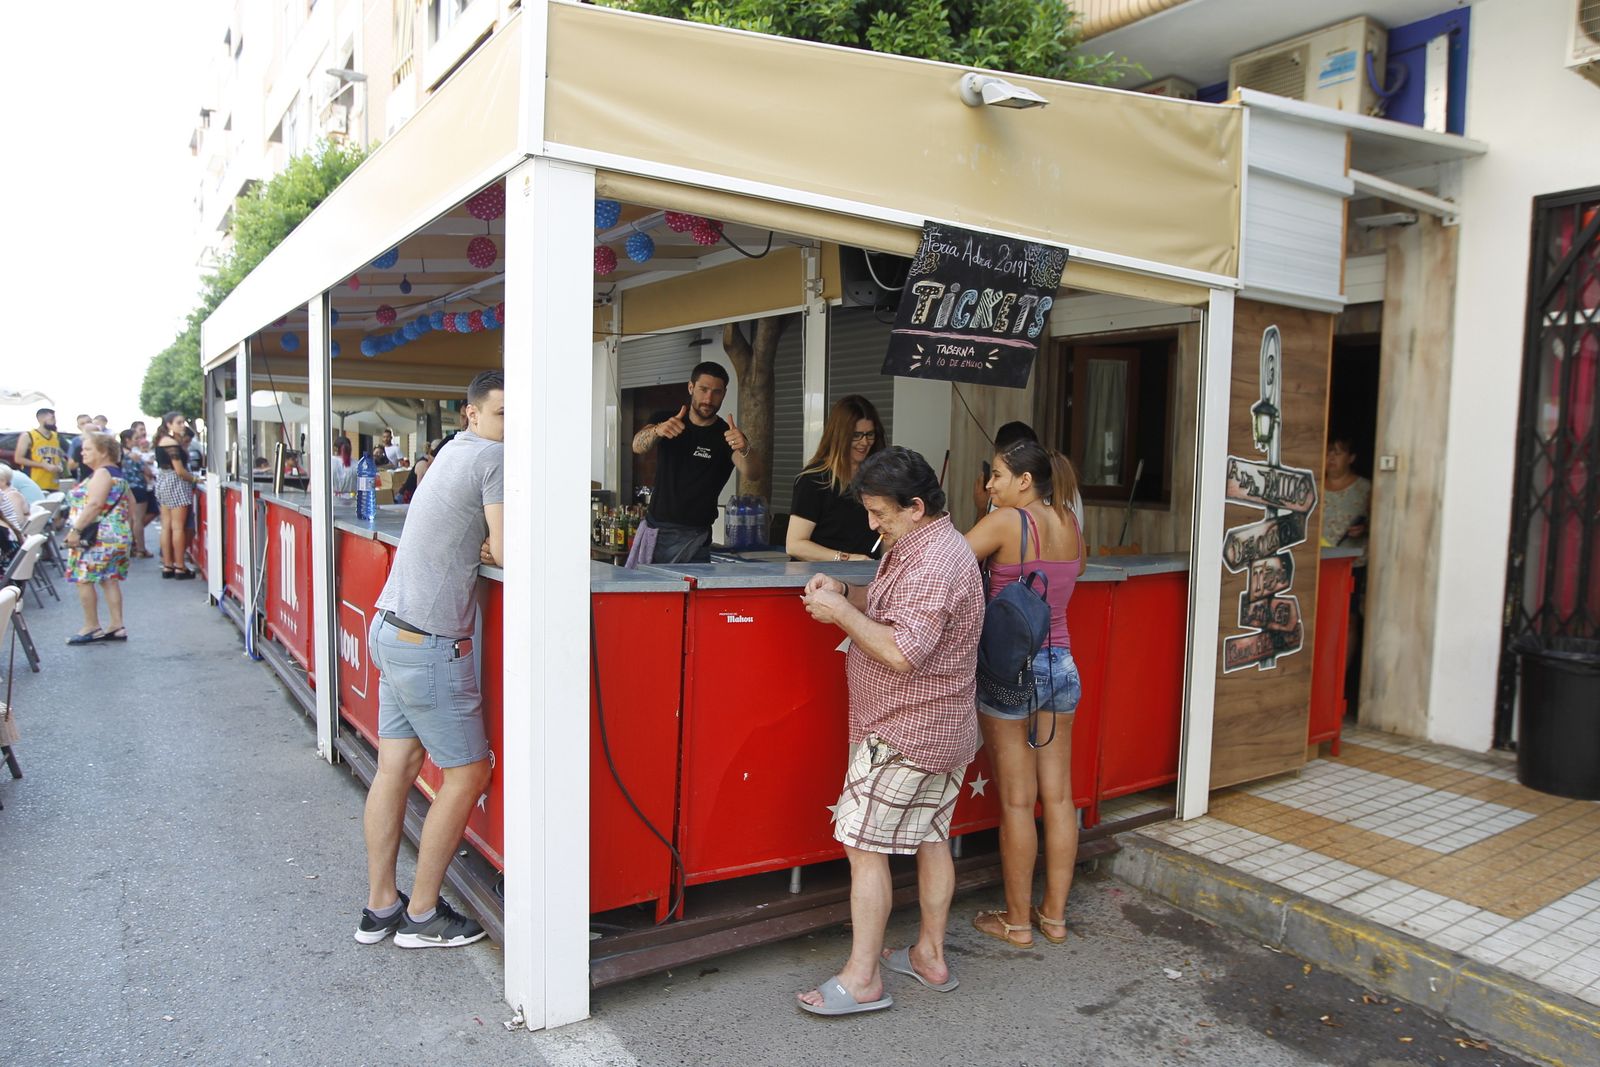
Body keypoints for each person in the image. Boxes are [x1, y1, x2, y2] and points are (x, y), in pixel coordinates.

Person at [797, 447, 984, 1015]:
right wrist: (846, 593)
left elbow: (904, 651)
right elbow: (895, 612)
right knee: (930, 837)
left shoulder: (935, 561)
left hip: (907, 731)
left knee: (859, 843)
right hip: (939, 726)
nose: (872, 524)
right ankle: (929, 955)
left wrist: (839, 615)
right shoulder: (921, 544)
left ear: (916, 506)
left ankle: (863, 980)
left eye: (881, 513)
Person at [359, 369, 504, 949]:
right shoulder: (494, 458)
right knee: (469, 772)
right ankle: (422, 916)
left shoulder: (452, 450)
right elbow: (511, 550)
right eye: (500, 414)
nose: (510, 426)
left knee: (396, 767)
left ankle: (380, 908)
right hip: (427, 641)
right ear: (473, 413)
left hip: (390, 626)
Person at [964, 439, 1085, 948]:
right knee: (1058, 797)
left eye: (996, 476)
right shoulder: (1070, 523)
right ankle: (1053, 918)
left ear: (1024, 480)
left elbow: (944, 564)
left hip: (1012, 671)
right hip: (1061, 665)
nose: (991, 486)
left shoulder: (1008, 522)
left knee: (1018, 802)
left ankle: (1016, 924)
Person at [628, 361, 759, 564]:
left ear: (724, 393)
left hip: (696, 539)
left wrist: (745, 448)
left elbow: (753, 473)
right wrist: (657, 431)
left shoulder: (727, 436)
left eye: (716, 392)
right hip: (657, 531)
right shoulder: (666, 419)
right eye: (703, 389)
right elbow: (637, 446)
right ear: (691, 387)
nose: (708, 398)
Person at [786, 395, 885, 563]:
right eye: (856, 435)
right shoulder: (813, 480)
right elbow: (795, 545)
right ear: (840, 435)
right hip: (819, 579)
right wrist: (846, 559)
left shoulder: (879, 478)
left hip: (867, 577)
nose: (864, 442)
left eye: (870, 435)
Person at [62, 432, 133, 644]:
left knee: (84, 579)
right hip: (116, 533)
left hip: (97, 537)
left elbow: (94, 504)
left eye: (88, 449)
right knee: (110, 579)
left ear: (103, 451)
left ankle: (91, 626)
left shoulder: (101, 473)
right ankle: (116, 625)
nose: (82, 453)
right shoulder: (117, 474)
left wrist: (75, 530)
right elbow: (131, 505)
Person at [153, 412, 198, 579]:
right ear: (169, 424)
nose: (182, 425)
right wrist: (195, 479)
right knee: (178, 527)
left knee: (166, 526)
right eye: (178, 422)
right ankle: (179, 566)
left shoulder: (160, 441)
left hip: (163, 481)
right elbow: (179, 470)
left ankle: (168, 564)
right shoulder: (172, 443)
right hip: (176, 483)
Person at [118, 429, 155, 559]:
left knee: (129, 518)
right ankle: (140, 548)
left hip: (124, 489)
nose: (138, 441)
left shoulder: (119, 454)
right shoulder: (134, 455)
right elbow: (147, 471)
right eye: (135, 438)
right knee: (138, 519)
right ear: (127, 440)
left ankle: (130, 546)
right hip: (138, 488)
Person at [13, 407, 66, 493]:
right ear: (41, 419)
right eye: (52, 418)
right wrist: (43, 465)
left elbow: (63, 456)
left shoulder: (56, 436)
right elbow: (18, 459)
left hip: (53, 483)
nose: (55, 421)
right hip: (34, 482)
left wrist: (60, 467)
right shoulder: (28, 436)